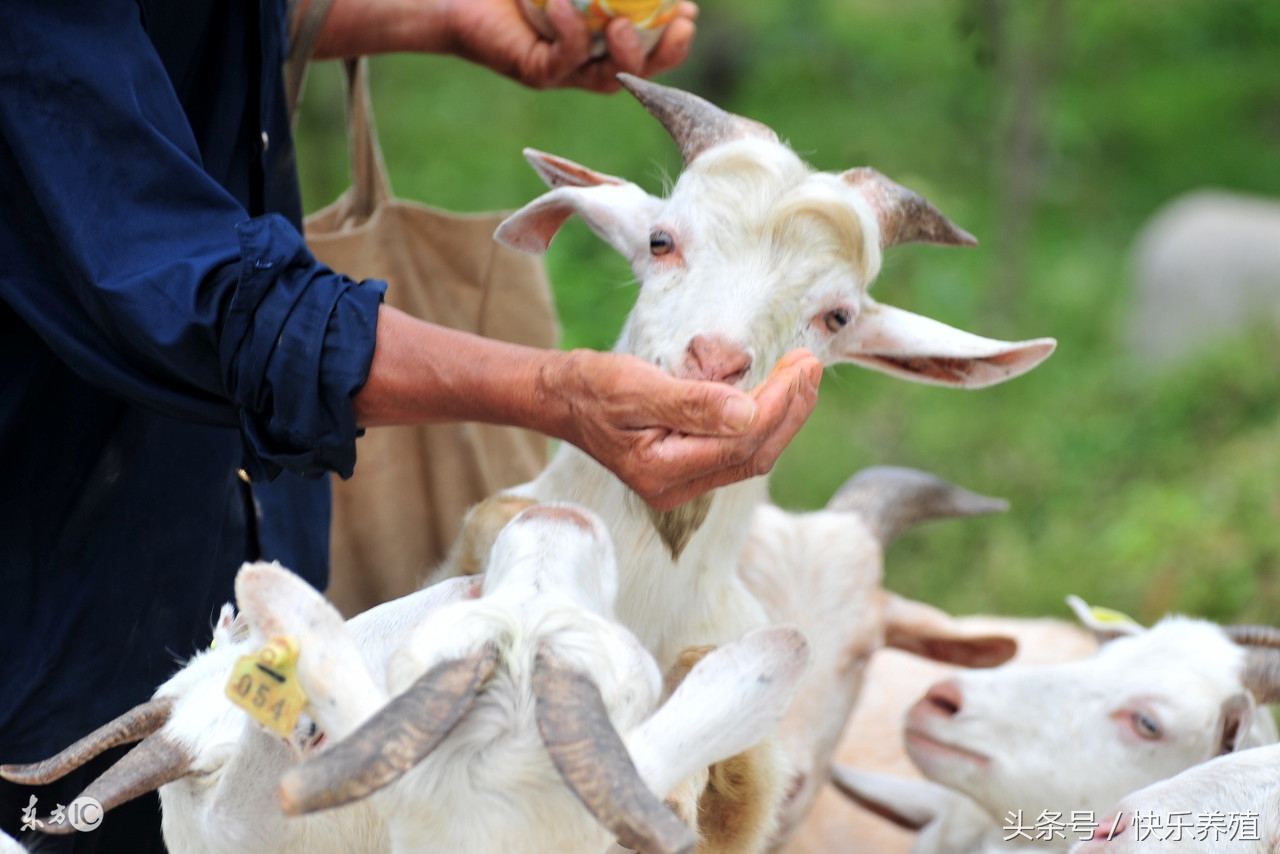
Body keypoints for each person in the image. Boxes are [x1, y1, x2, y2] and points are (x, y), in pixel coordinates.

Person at [0, 0, 821, 847]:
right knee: (57, 822)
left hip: (253, 594)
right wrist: (552, 390)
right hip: (54, 602)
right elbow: (186, 282)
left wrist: (445, 19)